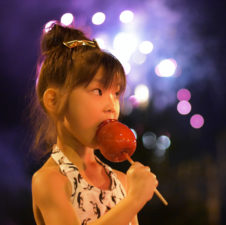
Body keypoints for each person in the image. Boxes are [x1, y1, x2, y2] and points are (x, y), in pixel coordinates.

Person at [30, 23, 158, 225]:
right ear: (53, 101)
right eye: (97, 91)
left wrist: (133, 197)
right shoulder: (49, 180)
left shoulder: (122, 181)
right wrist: (134, 201)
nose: (111, 106)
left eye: (115, 94)